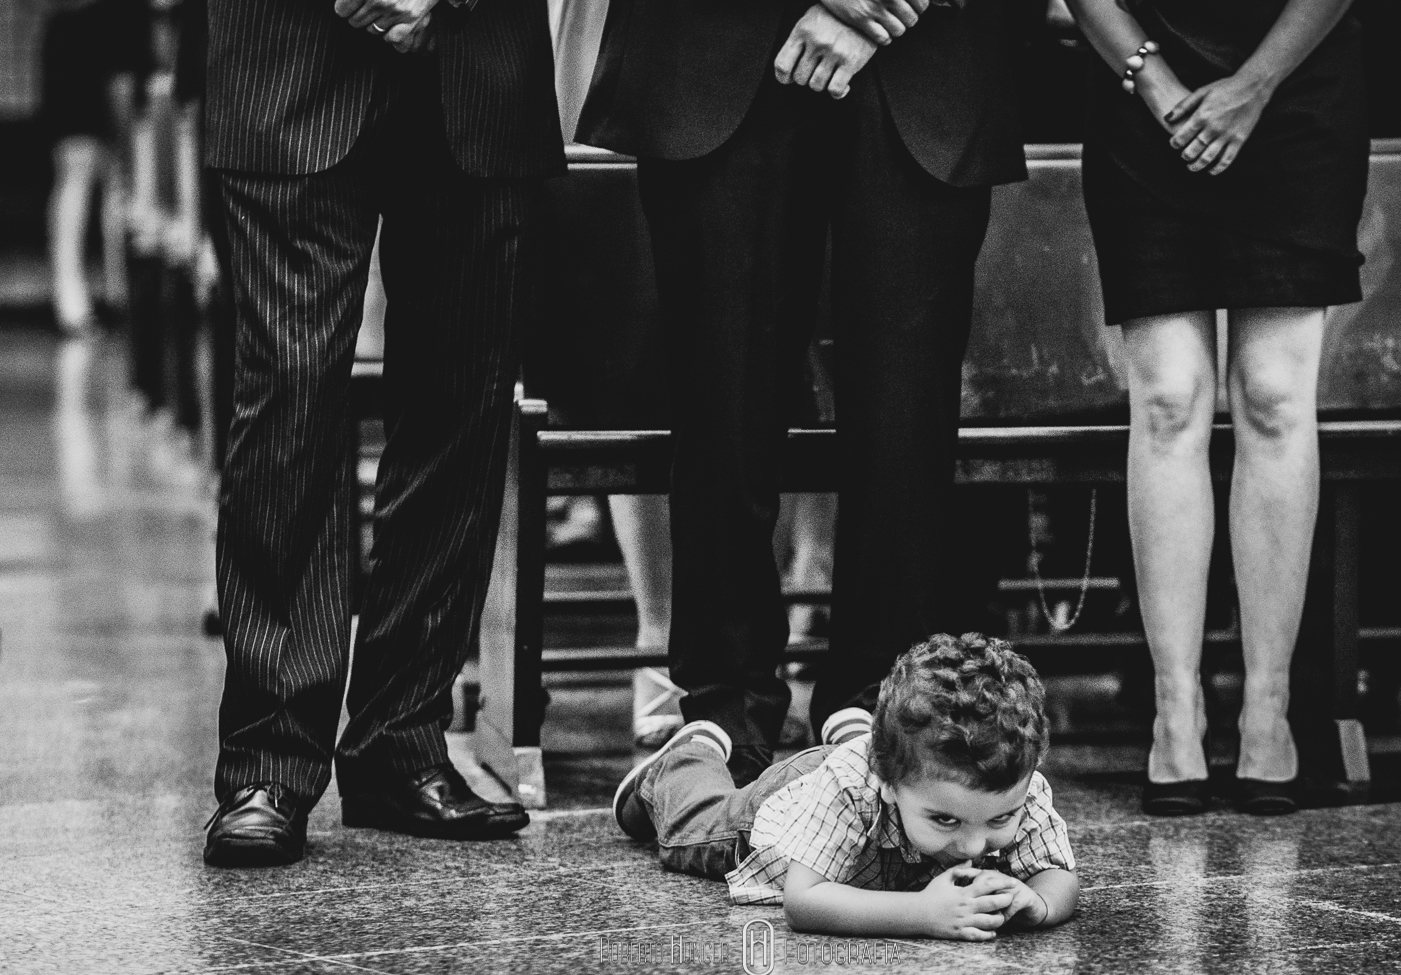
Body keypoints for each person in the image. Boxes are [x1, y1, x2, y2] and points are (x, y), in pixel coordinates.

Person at [577, 0, 1038, 786]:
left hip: (923, 51)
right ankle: (720, 706)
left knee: (907, 412)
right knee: (717, 399)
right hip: (716, 50)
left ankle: (877, 699)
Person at [201, 0, 565, 866]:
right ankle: (269, 760)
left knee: (461, 407)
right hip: (290, 54)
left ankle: (400, 741)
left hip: (478, 61)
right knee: (288, 400)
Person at [1064, 0, 1369, 814]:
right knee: (1166, 399)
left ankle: (1267, 709)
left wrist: (1257, 81)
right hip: (1141, 95)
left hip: (1297, 91)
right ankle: (1176, 710)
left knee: (1273, 397)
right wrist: (1152, 80)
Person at [612, 633, 1078, 937]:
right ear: (889, 780)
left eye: (1000, 818)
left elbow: (1059, 875)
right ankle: (688, 757)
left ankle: (858, 729)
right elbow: (804, 902)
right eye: (945, 819)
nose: (974, 843)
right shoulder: (853, 786)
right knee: (691, 829)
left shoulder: (1015, 779)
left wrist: (1037, 903)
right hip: (769, 820)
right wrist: (922, 914)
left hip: (873, 769)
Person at [39, 0, 152, 335]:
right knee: (110, 197)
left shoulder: (64, 21)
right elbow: (121, 80)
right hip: (94, 110)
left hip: (74, 107)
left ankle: (78, 303)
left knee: (80, 194)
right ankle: (119, 298)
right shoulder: (116, 16)